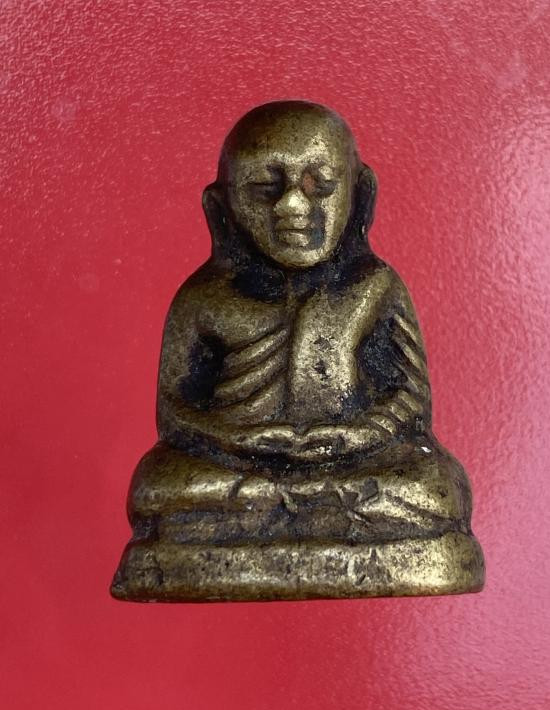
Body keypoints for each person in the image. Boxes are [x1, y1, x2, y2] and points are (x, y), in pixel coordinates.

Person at [111, 101, 484, 601]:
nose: (291, 206)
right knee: (156, 489)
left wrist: (355, 434)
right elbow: (176, 413)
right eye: (265, 189)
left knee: (436, 488)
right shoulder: (205, 297)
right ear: (220, 207)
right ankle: (311, 508)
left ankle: (289, 507)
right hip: (239, 462)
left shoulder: (374, 286)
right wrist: (238, 438)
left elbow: (410, 401)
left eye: (320, 185)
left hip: (356, 457)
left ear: (360, 194)